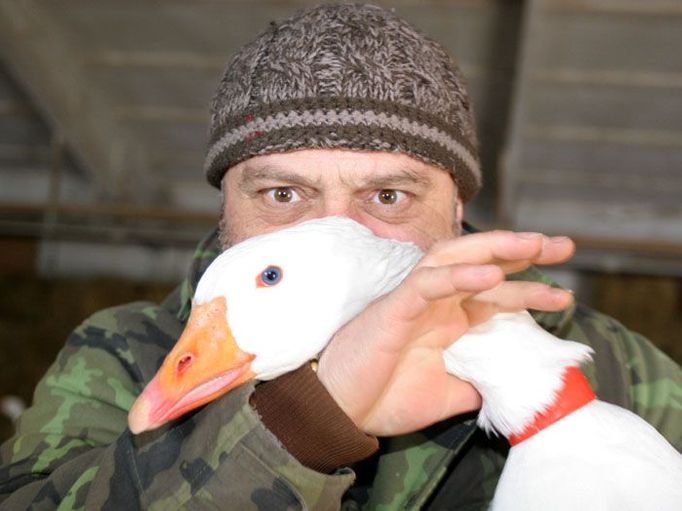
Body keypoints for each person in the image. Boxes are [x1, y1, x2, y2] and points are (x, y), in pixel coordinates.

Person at [1, 4, 680, 509]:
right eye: (282, 191)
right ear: (224, 207)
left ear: (456, 209)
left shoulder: (620, 369)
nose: (331, 233)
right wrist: (305, 422)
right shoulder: (126, 354)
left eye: (387, 194)